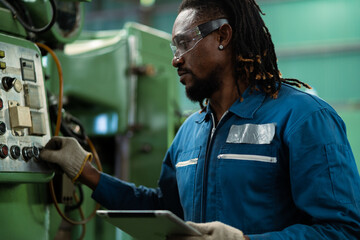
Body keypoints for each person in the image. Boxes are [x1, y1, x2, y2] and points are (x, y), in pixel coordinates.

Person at [40, 0, 360, 239]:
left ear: (223, 35)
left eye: (184, 43)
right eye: (174, 46)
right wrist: (87, 173)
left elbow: (342, 230)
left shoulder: (304, 118)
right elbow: (166, 210)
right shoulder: (190, 132)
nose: (175, 59)